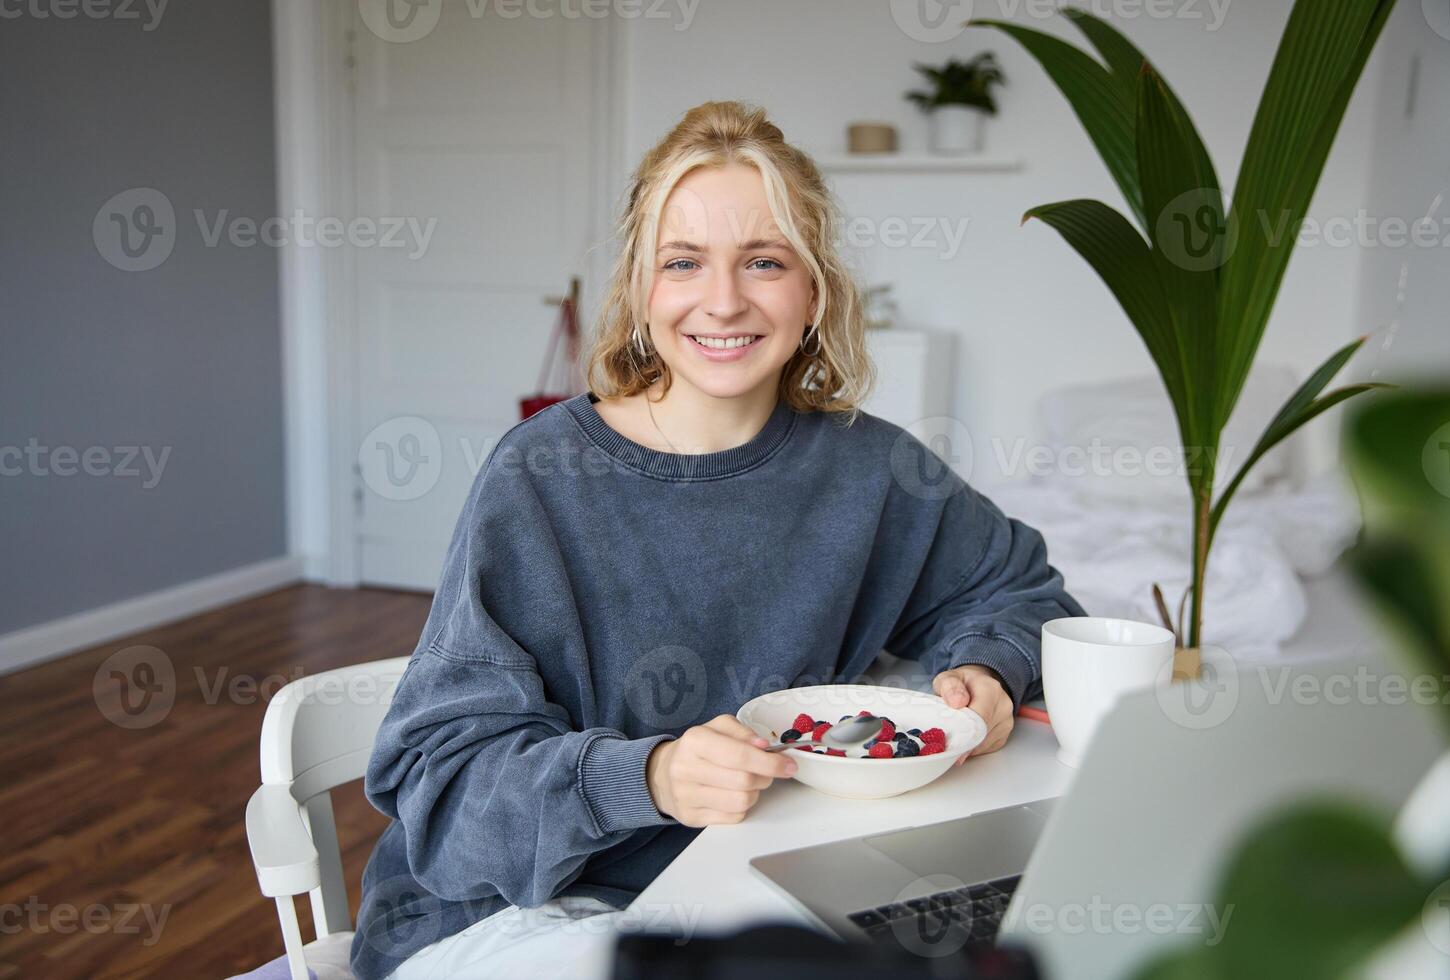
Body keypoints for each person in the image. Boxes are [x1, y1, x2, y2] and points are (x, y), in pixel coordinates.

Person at [349, 100, 1086, 980]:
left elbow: (1023, 593)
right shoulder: (540, 479)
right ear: (640, 288)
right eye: (684, 261)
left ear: (814, 291)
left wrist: (989, 667)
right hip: (526, 912)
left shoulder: (870, 468)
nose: (724, 300)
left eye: (765, 261)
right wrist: (648, 778)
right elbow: (445, 790)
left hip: (760, 884)